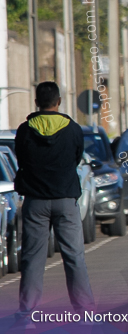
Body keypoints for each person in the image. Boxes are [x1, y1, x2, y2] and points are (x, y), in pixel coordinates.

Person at [14, 82, 95, 317]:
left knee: (32, 258)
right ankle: (85, 312)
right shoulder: (72, 129)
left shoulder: (25, 129)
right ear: (58, 102)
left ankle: (27, 314)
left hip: (36, 201)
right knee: (74, 257)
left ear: (37, 103)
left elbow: (21, 159)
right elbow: (77, 158)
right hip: (66, 199)